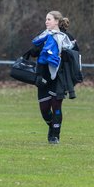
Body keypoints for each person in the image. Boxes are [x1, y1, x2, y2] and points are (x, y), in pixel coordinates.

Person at [30, 10, 80, 144]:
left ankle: (55, 136)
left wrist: (62, 54)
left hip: (60, 76)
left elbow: (75, 53)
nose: (46, 22)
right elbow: (33, 52)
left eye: (49, 19)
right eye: (46, 19)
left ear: (57, 21)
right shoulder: (43, 35)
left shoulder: (66, 36)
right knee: (44, 110)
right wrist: (45, 48)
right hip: (43, 76)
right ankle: (52, 126)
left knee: (56, 106)